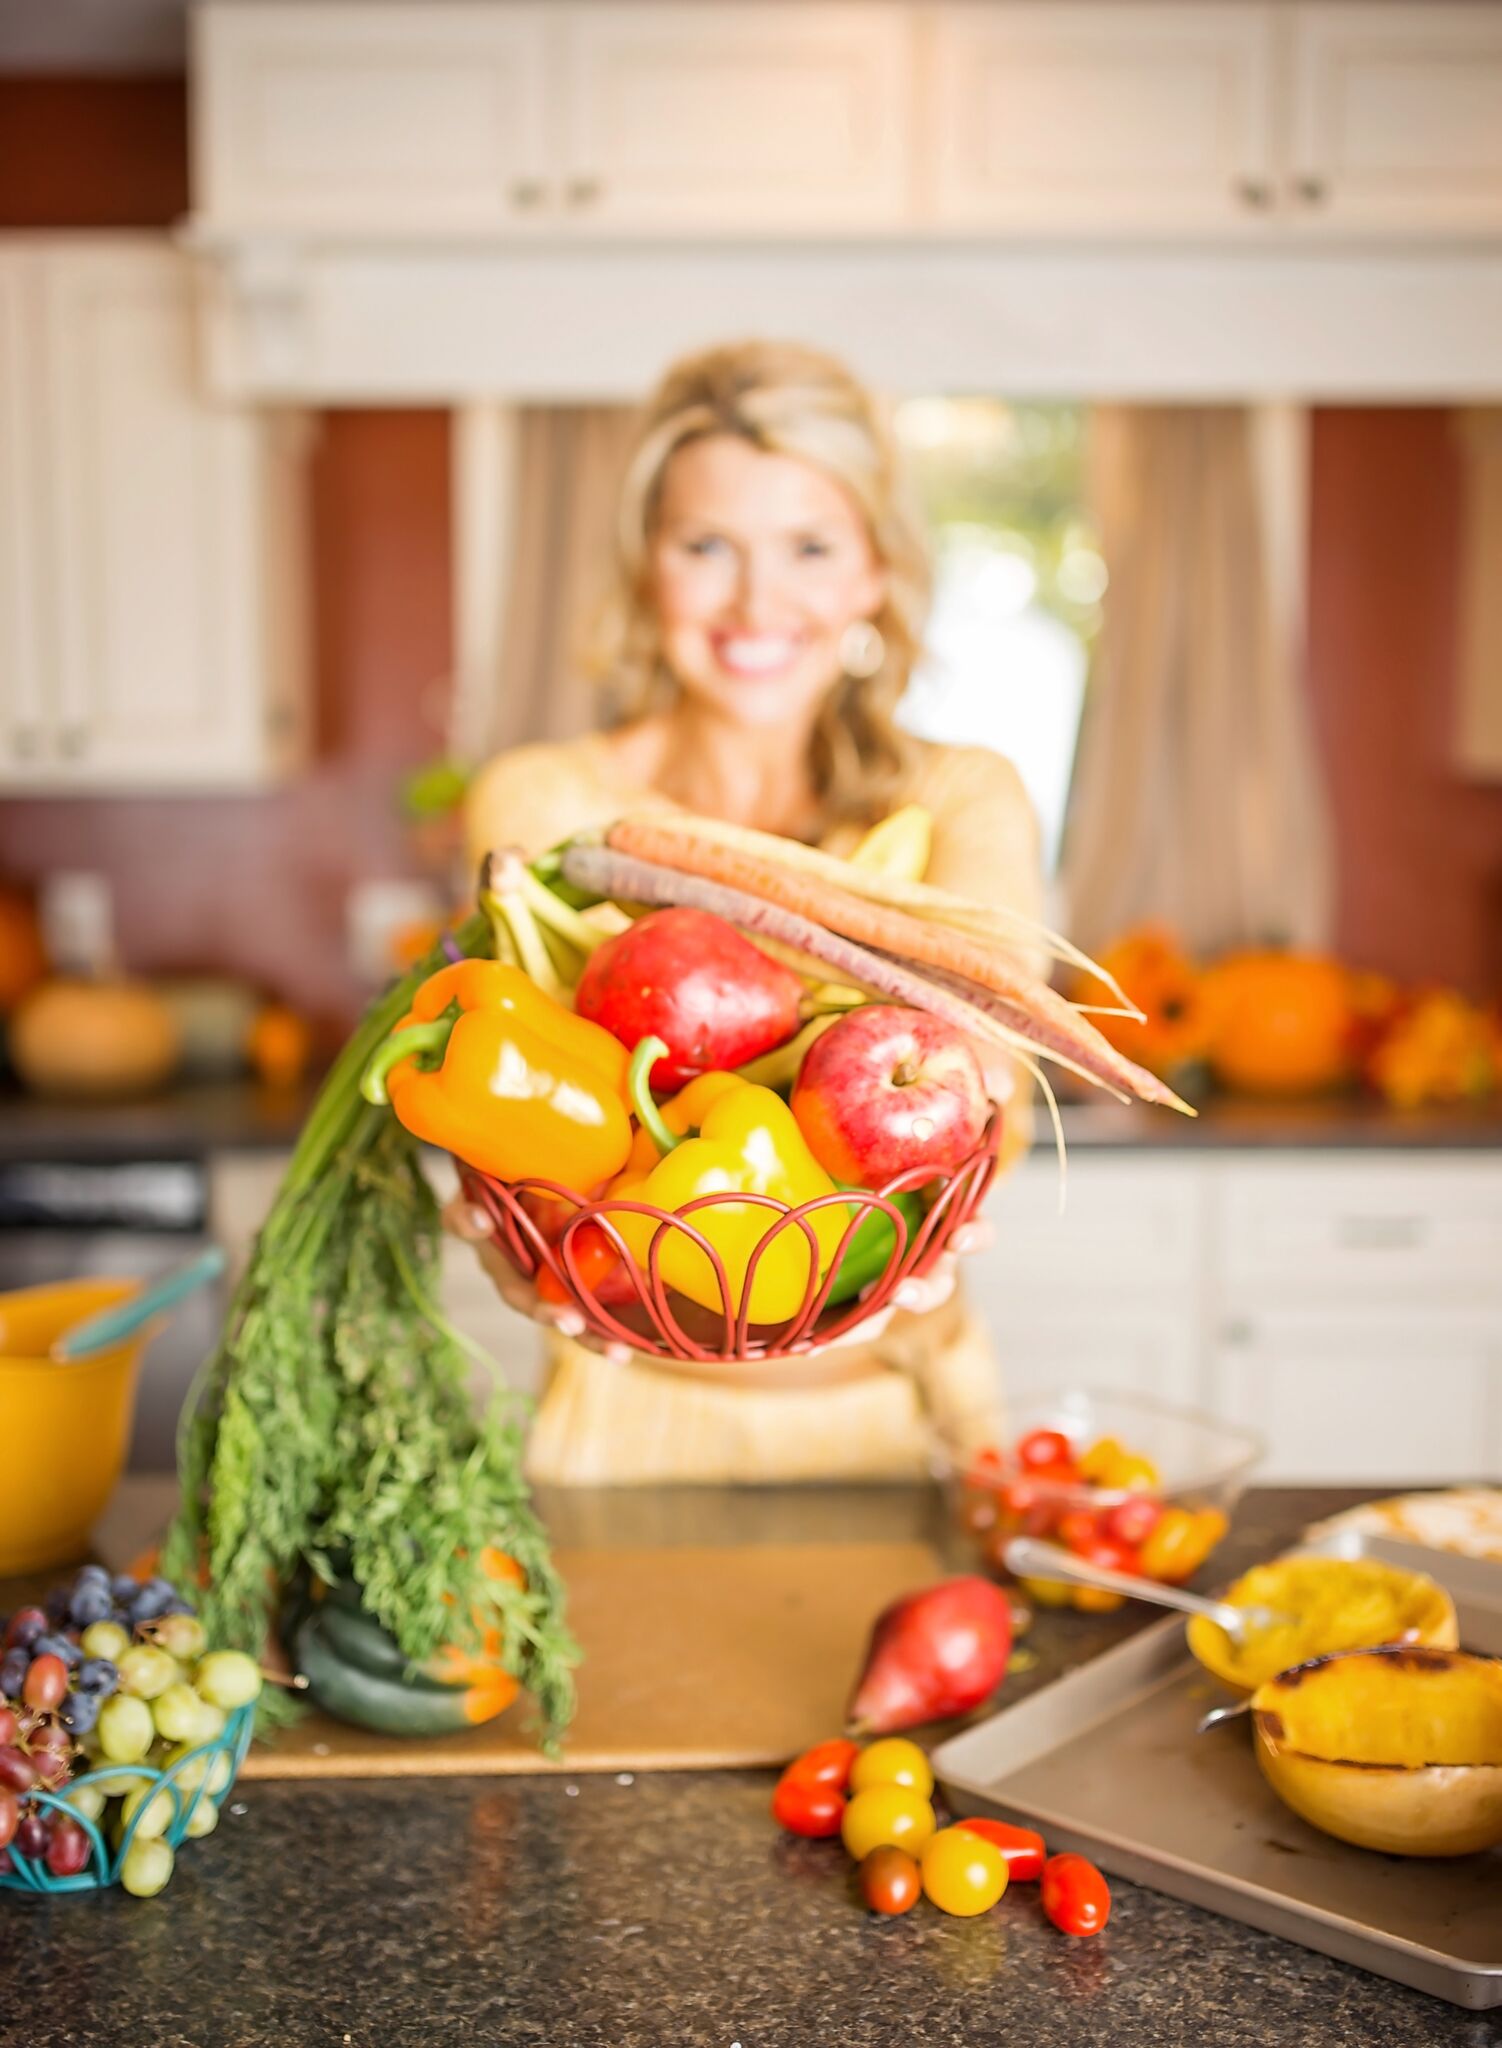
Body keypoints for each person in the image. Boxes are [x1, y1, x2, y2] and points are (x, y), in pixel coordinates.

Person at [450, 339, 1043, 1484]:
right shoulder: (547, 802)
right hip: (618, 1428)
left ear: (874, 570)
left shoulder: (959, 797)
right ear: (645, 569)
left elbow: (983, 1113)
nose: (757, 600)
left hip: (908, 1416)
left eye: (809, 547)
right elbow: (518, 1127)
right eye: (706, 545)